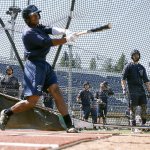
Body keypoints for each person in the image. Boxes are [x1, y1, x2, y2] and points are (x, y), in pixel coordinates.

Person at [0, 5, 79, 132]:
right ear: (27, 19)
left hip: (44, 64)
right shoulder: (29, 33)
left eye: (37, 14)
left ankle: (70, 125)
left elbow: (50, 29)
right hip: (34, 66)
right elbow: (47, 42)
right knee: (32, 102)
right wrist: (67, 39)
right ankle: (7, 112)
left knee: (56, 91)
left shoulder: (38, 27)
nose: (37, 16)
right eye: (34, 15)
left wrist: (66, 31)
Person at [121, 49, 150, 127]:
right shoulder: (128, 66)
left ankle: (143, 125)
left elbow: (146, 81)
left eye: (137, 55)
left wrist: (149, 91)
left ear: (139, 56)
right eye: (134, 55)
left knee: (144, 107)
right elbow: (123, 79)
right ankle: (133, 127)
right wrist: (124, 89)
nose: (136, 56)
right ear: (132, 56)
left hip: (141, 91)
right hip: (132, 91)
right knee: (133, 109)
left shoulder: (142, 67)